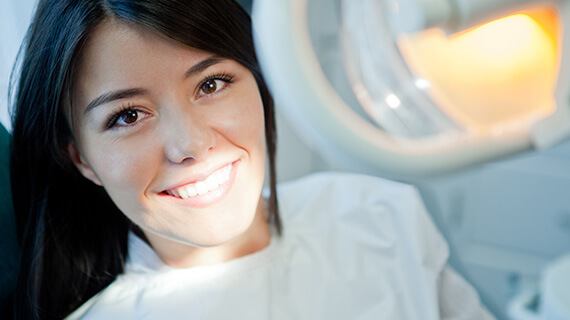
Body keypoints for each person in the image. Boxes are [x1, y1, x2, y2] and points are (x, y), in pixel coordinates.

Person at [9, 0, 494, 319]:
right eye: (129, 115)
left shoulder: (380, 215)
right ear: (82, 160)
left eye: (211, 84)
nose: (191, 145)